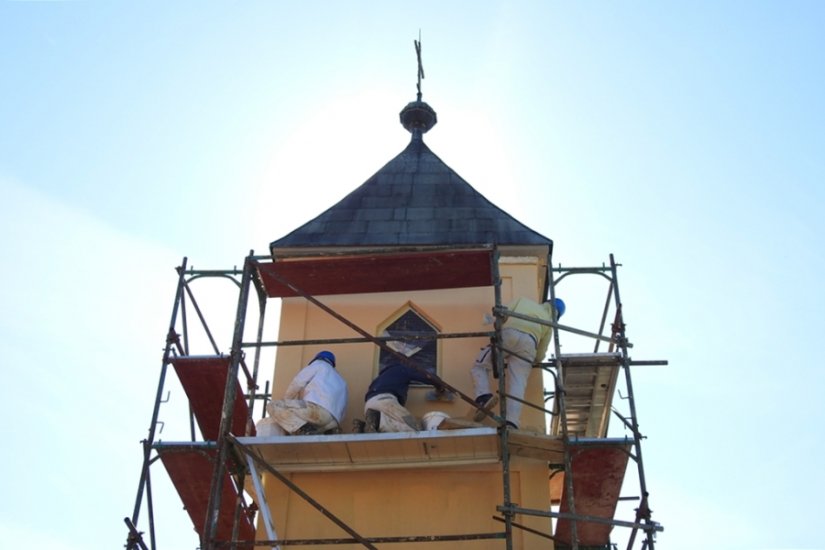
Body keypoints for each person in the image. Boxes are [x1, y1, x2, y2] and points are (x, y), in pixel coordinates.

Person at [471, 297, 565, 428]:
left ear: (547, 302)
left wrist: (495, 325)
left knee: (480, 365)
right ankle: (511, 422)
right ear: (557, 315)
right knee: (518, 382)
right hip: (530, 345)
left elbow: (502, 313)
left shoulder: (523, 301)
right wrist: (533, 359)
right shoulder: (549, 323)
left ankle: (483, 397)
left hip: (510, 333)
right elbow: (540, 354)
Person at [257, 350, 348, 436]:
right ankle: (320, 431)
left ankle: (302, 428)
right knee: (314, 430)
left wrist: (285, 401)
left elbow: (297, 383)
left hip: (315, 410)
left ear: (316, 359)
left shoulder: (319, 365)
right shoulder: (342, 381)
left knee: (273, 405)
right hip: (333, 422)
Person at [362, 361, 446, 433]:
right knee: (413, 428)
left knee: (390, 429)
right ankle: (376, 419)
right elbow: (424, 376)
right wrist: (439, 385)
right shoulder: (401, 369)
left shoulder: (379, 378)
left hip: (369, 405)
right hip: (385, 400)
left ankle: (371, 424)